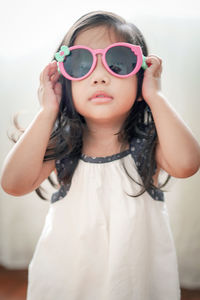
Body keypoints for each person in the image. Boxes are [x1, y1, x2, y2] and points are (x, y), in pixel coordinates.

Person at [1, 10, 200, 300]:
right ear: (64, 84)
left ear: (141, 80)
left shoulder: (148, 144)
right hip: (69, 282)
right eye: (81, 64)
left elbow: (187, 164)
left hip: (135, 283)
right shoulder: (64, 146)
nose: (99, 77)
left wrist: (156, 96)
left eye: (119, 62)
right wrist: (48, 110)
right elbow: (12, 183)